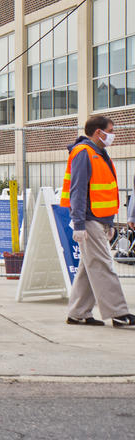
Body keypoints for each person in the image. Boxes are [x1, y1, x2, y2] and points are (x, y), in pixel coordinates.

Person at [63, 115, 135, 328]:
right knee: (103, 265)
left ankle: (77, 313)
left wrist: (110, 223)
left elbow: (102, 193)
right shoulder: (84, 154)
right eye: (110, 130)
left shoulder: (98, 153)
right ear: (98, 132)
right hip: (88, 219)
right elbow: (77, 191)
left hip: (99, 220)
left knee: (89, 267)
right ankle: (119, 313)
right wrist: (78, 224)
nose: (113, 135)